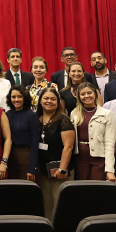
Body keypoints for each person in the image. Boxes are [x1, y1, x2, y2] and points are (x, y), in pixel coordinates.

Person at [29, 87, 75, 217]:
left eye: (53, 99)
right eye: (46, 98)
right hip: (42, 171)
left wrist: (62, 169)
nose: (49, 101)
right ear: (40, 101)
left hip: (60, 171)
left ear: (58, 102)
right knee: (46, 207)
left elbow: (68, 147)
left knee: (61, 207)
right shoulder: (36, 119)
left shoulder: (63, 120)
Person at [69, 82, 116, 181]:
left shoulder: (107, 113)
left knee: (97, 189)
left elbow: (110, 143)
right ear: (79, 97)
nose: (87, 96)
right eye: (83, 94)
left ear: (95, 94)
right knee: (82, 189)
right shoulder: (74, 113)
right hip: (79, 158)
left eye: (89, 93)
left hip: (99, 157)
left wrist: (110, 170)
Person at [5, 85, 38, 180]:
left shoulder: (31, 116)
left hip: (26, 158)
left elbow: (35, 143)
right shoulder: (7, 115)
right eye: (13, 97)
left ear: (25, 98)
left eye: (20, 96)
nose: (16, 100)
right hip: (11, 158)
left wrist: (32, 168)